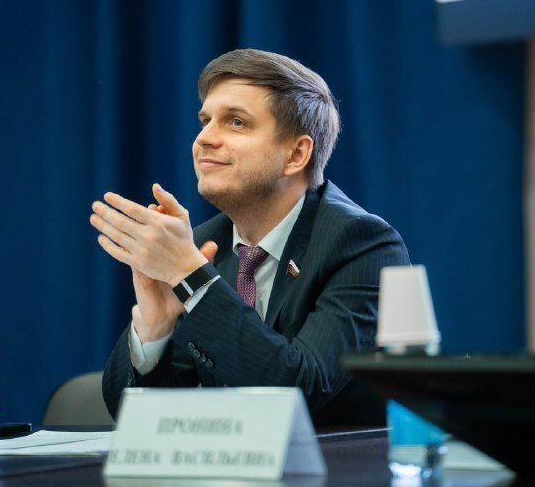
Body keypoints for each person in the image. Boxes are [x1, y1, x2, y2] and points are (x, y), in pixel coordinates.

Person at [91, 49, 409, 425]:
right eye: (205, 121)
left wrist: (193, 279)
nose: (204, 138)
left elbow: (295, 391)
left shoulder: (363, 244)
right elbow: (132, 415)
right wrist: (154, 327)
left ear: (296, 154)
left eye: (236, 122)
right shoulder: (205, 245)